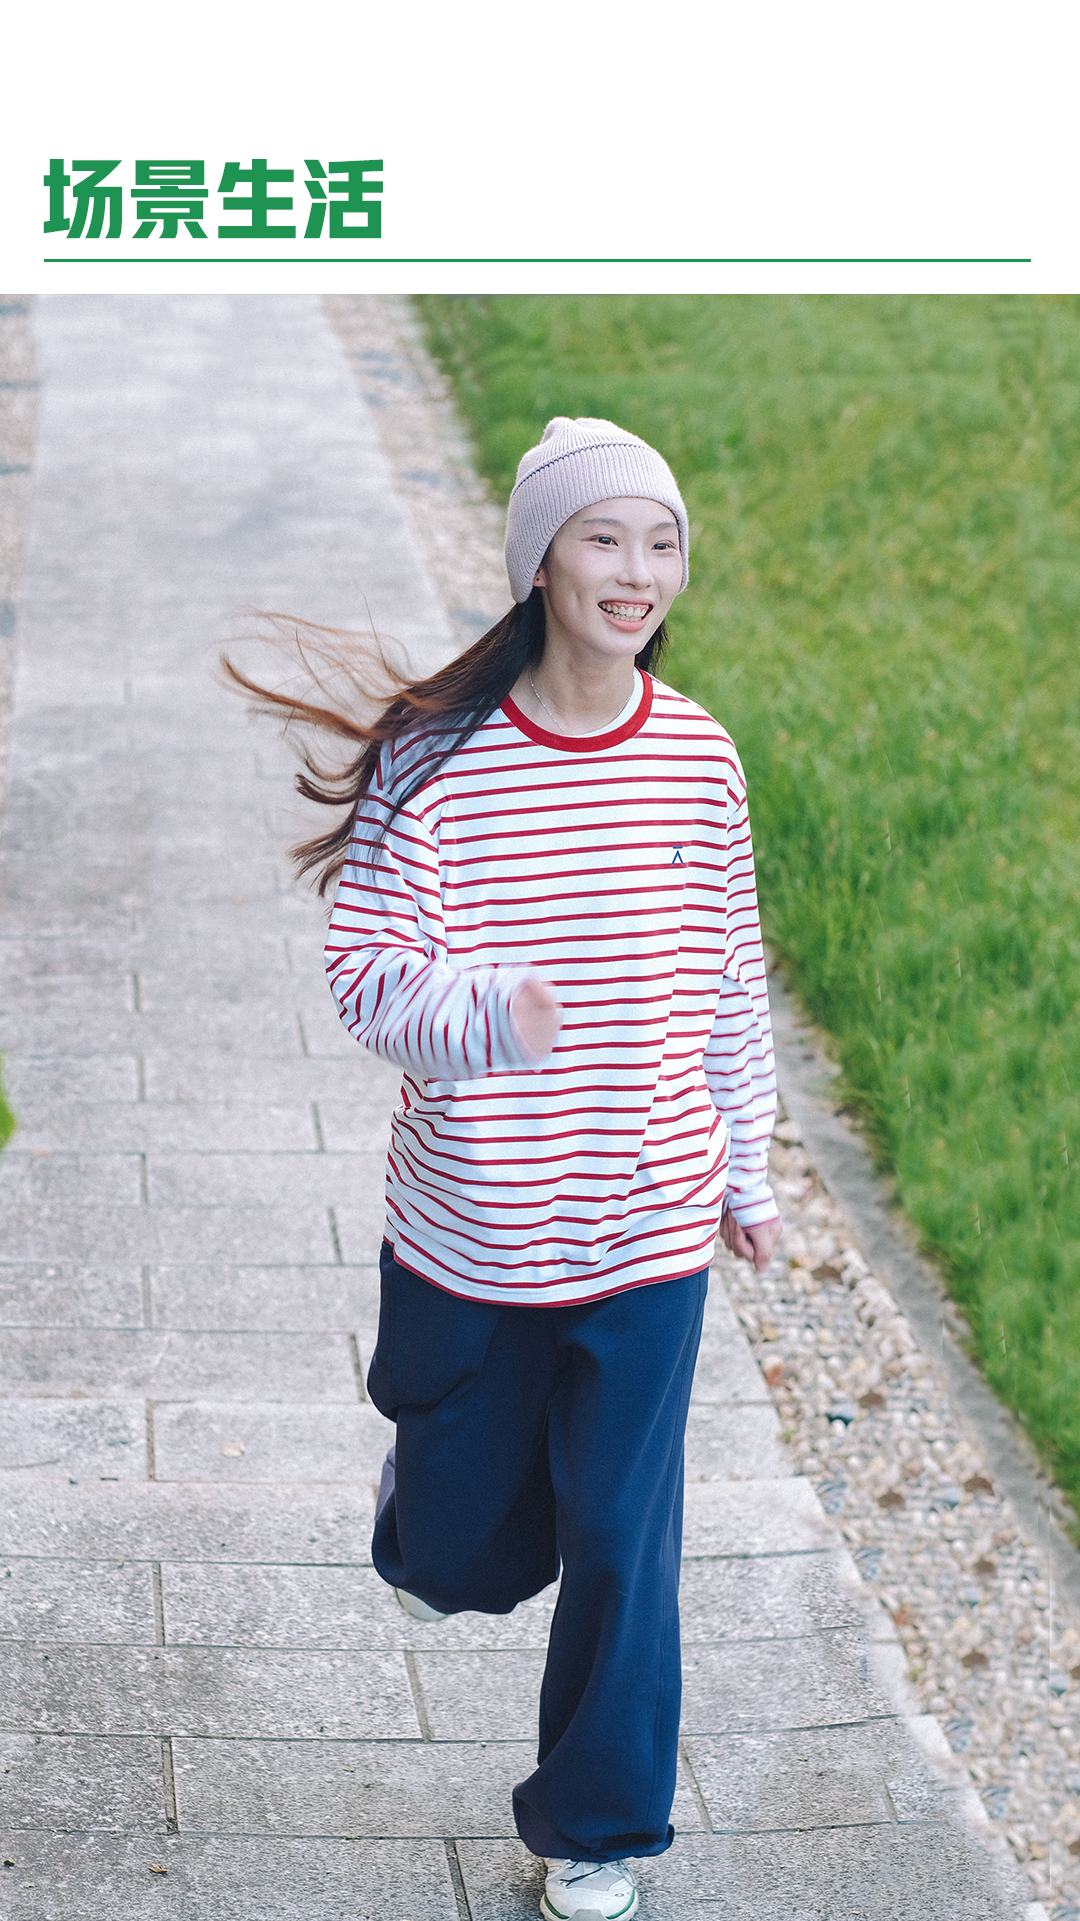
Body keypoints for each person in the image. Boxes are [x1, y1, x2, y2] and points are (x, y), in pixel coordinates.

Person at [232, 415, 781, 1921]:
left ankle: (599, 1826)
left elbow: (730, 981)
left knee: (621, 1535)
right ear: (541, 559)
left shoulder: (698, 759)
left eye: (662, 542)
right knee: (460, 1553)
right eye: (606, 538)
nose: (637, 570)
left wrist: (747, 1171)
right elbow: (366, 980)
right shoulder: (437, 761)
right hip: (473, 1230)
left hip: (647, 1226)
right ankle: (434, 1518)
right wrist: (490, 1012)